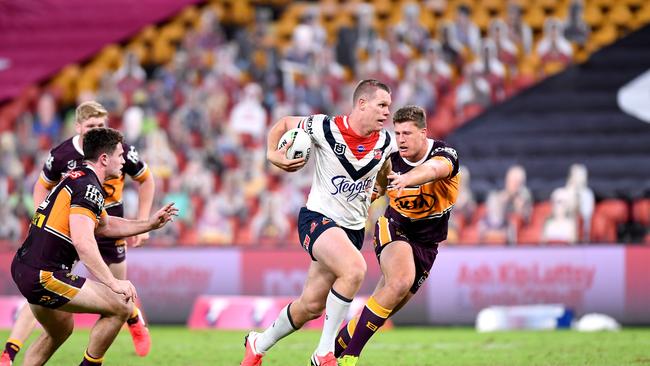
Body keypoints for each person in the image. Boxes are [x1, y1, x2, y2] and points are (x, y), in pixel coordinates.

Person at [239, 79, 394, 366]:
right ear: (362, 104)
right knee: (355, 269)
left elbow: (384, 172)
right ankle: (324, 353)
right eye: (382, 105)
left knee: (310, 306)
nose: (387, 112)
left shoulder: (385, 142)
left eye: (389, 106)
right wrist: (272, 154)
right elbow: (285, 124)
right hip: (318, 220)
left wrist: (380, 188)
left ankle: (257, 343)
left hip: (353, 231)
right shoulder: (325, 127)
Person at [1, 101, 155, 365]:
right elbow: (84, 243)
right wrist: (113, 283)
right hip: (48, 268)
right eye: (119, 156)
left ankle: (10, 354)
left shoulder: (81, 174)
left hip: (33, 261)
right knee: (121, 303)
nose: (123, 161)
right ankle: (10, 352)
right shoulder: (85, 183)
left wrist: (149, 223)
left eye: (101, 125)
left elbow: (106, 225)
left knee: (61, 329)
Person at [334, 105, 459, 365]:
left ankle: (329, 352)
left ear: (423, 133)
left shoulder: (445, 154)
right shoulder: (389, 156)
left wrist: (409, 179)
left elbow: (434, 170)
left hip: (428, 243)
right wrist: (367, 196)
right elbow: (377, 187)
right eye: (397, 133)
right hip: (394, 227)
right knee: (401, 280)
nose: (400, 139)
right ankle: (349, 358)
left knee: (383, 309)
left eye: (407, 134)